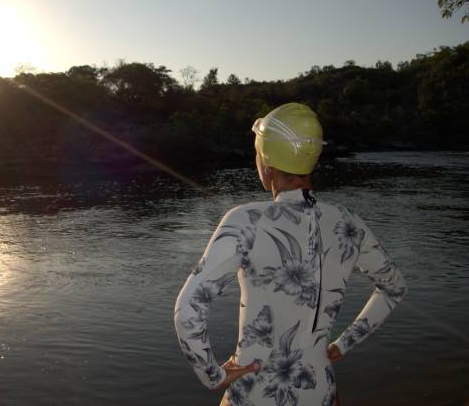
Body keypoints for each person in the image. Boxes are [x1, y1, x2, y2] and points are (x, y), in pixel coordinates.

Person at [174, 103, 407, 406]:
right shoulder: (349, 222)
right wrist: (342, 345)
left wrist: (213, 376)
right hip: (320, 387)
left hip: (255, 390)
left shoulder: (247, 221)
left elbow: (187, 311)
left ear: (266, 161)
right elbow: (395, 287)